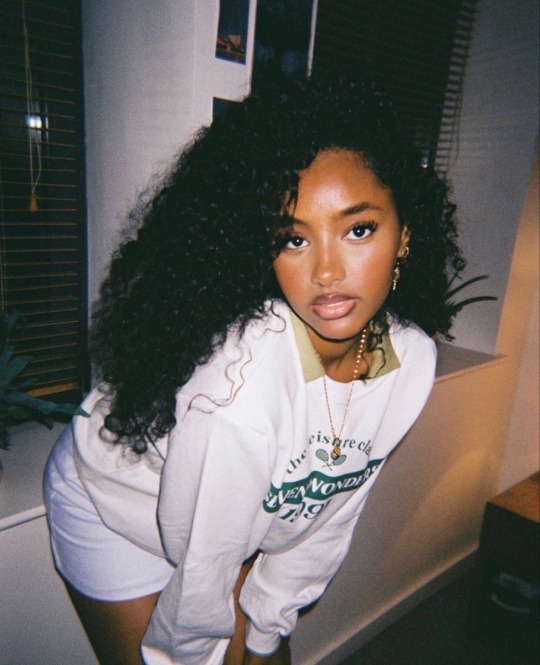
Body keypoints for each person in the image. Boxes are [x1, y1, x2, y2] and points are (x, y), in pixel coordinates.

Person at [44, 75, 464, 665]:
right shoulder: (240, 392)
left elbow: (332, 512)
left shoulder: (410, 361)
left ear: (404, 237)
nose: (326, 272)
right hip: (116, 491)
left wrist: (267, 634)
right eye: (293, 239)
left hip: (228, 514)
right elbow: (203, 567)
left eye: (358, 229)